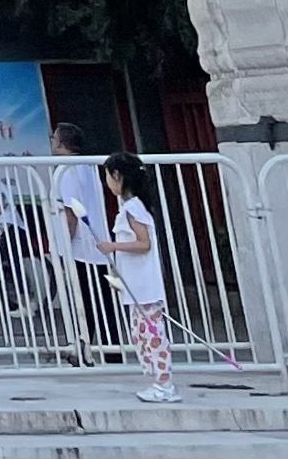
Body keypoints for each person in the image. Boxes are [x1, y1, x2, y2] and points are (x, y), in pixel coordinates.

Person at [98, 152, 175, 402]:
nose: (107, 182)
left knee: (153, 334)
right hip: (135, 286)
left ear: (117, 176)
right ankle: (159, 382)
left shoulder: (133, 209)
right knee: (142, 334)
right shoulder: (131, 207)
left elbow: (144, 244)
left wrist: (113, 247)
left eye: (108, 176)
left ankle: (165, 385)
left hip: (144, 287)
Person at [47, 122, 115, 366]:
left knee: (85, 302)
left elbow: (70, 211)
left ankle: (87, 348)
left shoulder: (65, 171)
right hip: (96, 246)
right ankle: (98, 349)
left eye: (54, 137)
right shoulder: (87, 166)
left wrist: (62, 247)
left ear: (61, 143)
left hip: (80, 249)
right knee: (99, 302)